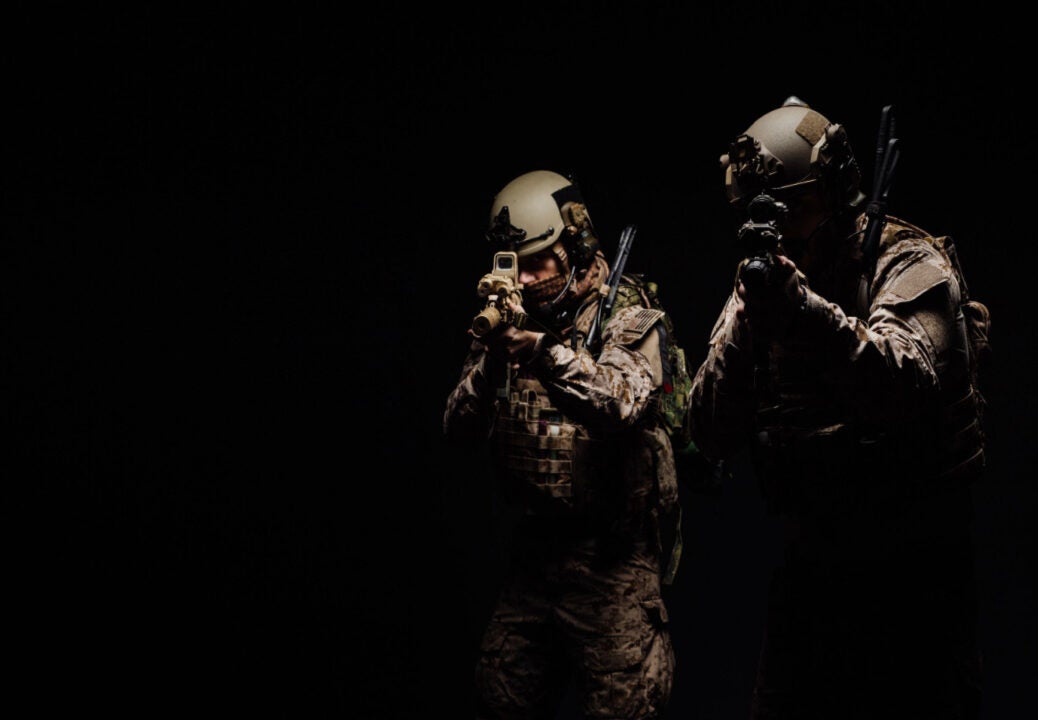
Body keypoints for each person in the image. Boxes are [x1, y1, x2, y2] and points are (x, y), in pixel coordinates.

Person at [687, 98, 990, 719]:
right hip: (813, 562)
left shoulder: (906, 262)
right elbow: (708, 430)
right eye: (755, 215)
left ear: (832, 194)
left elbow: (903, 384)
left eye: (787, 211)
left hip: (915, 567)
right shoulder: (765, 283)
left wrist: (802, 313)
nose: (774, 231)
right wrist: (750, 318)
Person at [443, 169, 689, 719]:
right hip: (534, 557)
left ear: (575, 248)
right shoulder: (510, 317)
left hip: (613, 564)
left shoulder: (626, 311)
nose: (524, 279)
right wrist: (490, 363)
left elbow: (619, 402)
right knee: (498, 699)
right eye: (513, 264)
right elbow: (457, 432)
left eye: (537, 263)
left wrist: (539, 351)